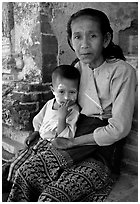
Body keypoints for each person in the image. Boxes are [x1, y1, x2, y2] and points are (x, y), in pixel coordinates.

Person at [7, 8, 136, 202]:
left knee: (52, 196)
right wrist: (39, 129)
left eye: (92, 35)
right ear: (71, 41)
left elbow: (119, 129)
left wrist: (73, 142)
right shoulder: (78, 67)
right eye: (77, 37)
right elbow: (60, 103)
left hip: (101, 148)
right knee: (25, 173)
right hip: (74, 131)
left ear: (106, 39)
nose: (84, 44)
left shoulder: (122, 71)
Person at [7, 64, 80, 183]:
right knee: (16, 164)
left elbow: (65, 137)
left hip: (52, 148)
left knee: (27, 171)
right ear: (53, 90)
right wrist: (35, 132)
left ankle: (21, 188)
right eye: (61, 91)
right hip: (38, 142)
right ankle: (9, 185)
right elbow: (39, 120)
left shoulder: (74, 110)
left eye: (72, 92)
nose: (67, 97)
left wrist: (62, 117)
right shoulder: (50, 103)